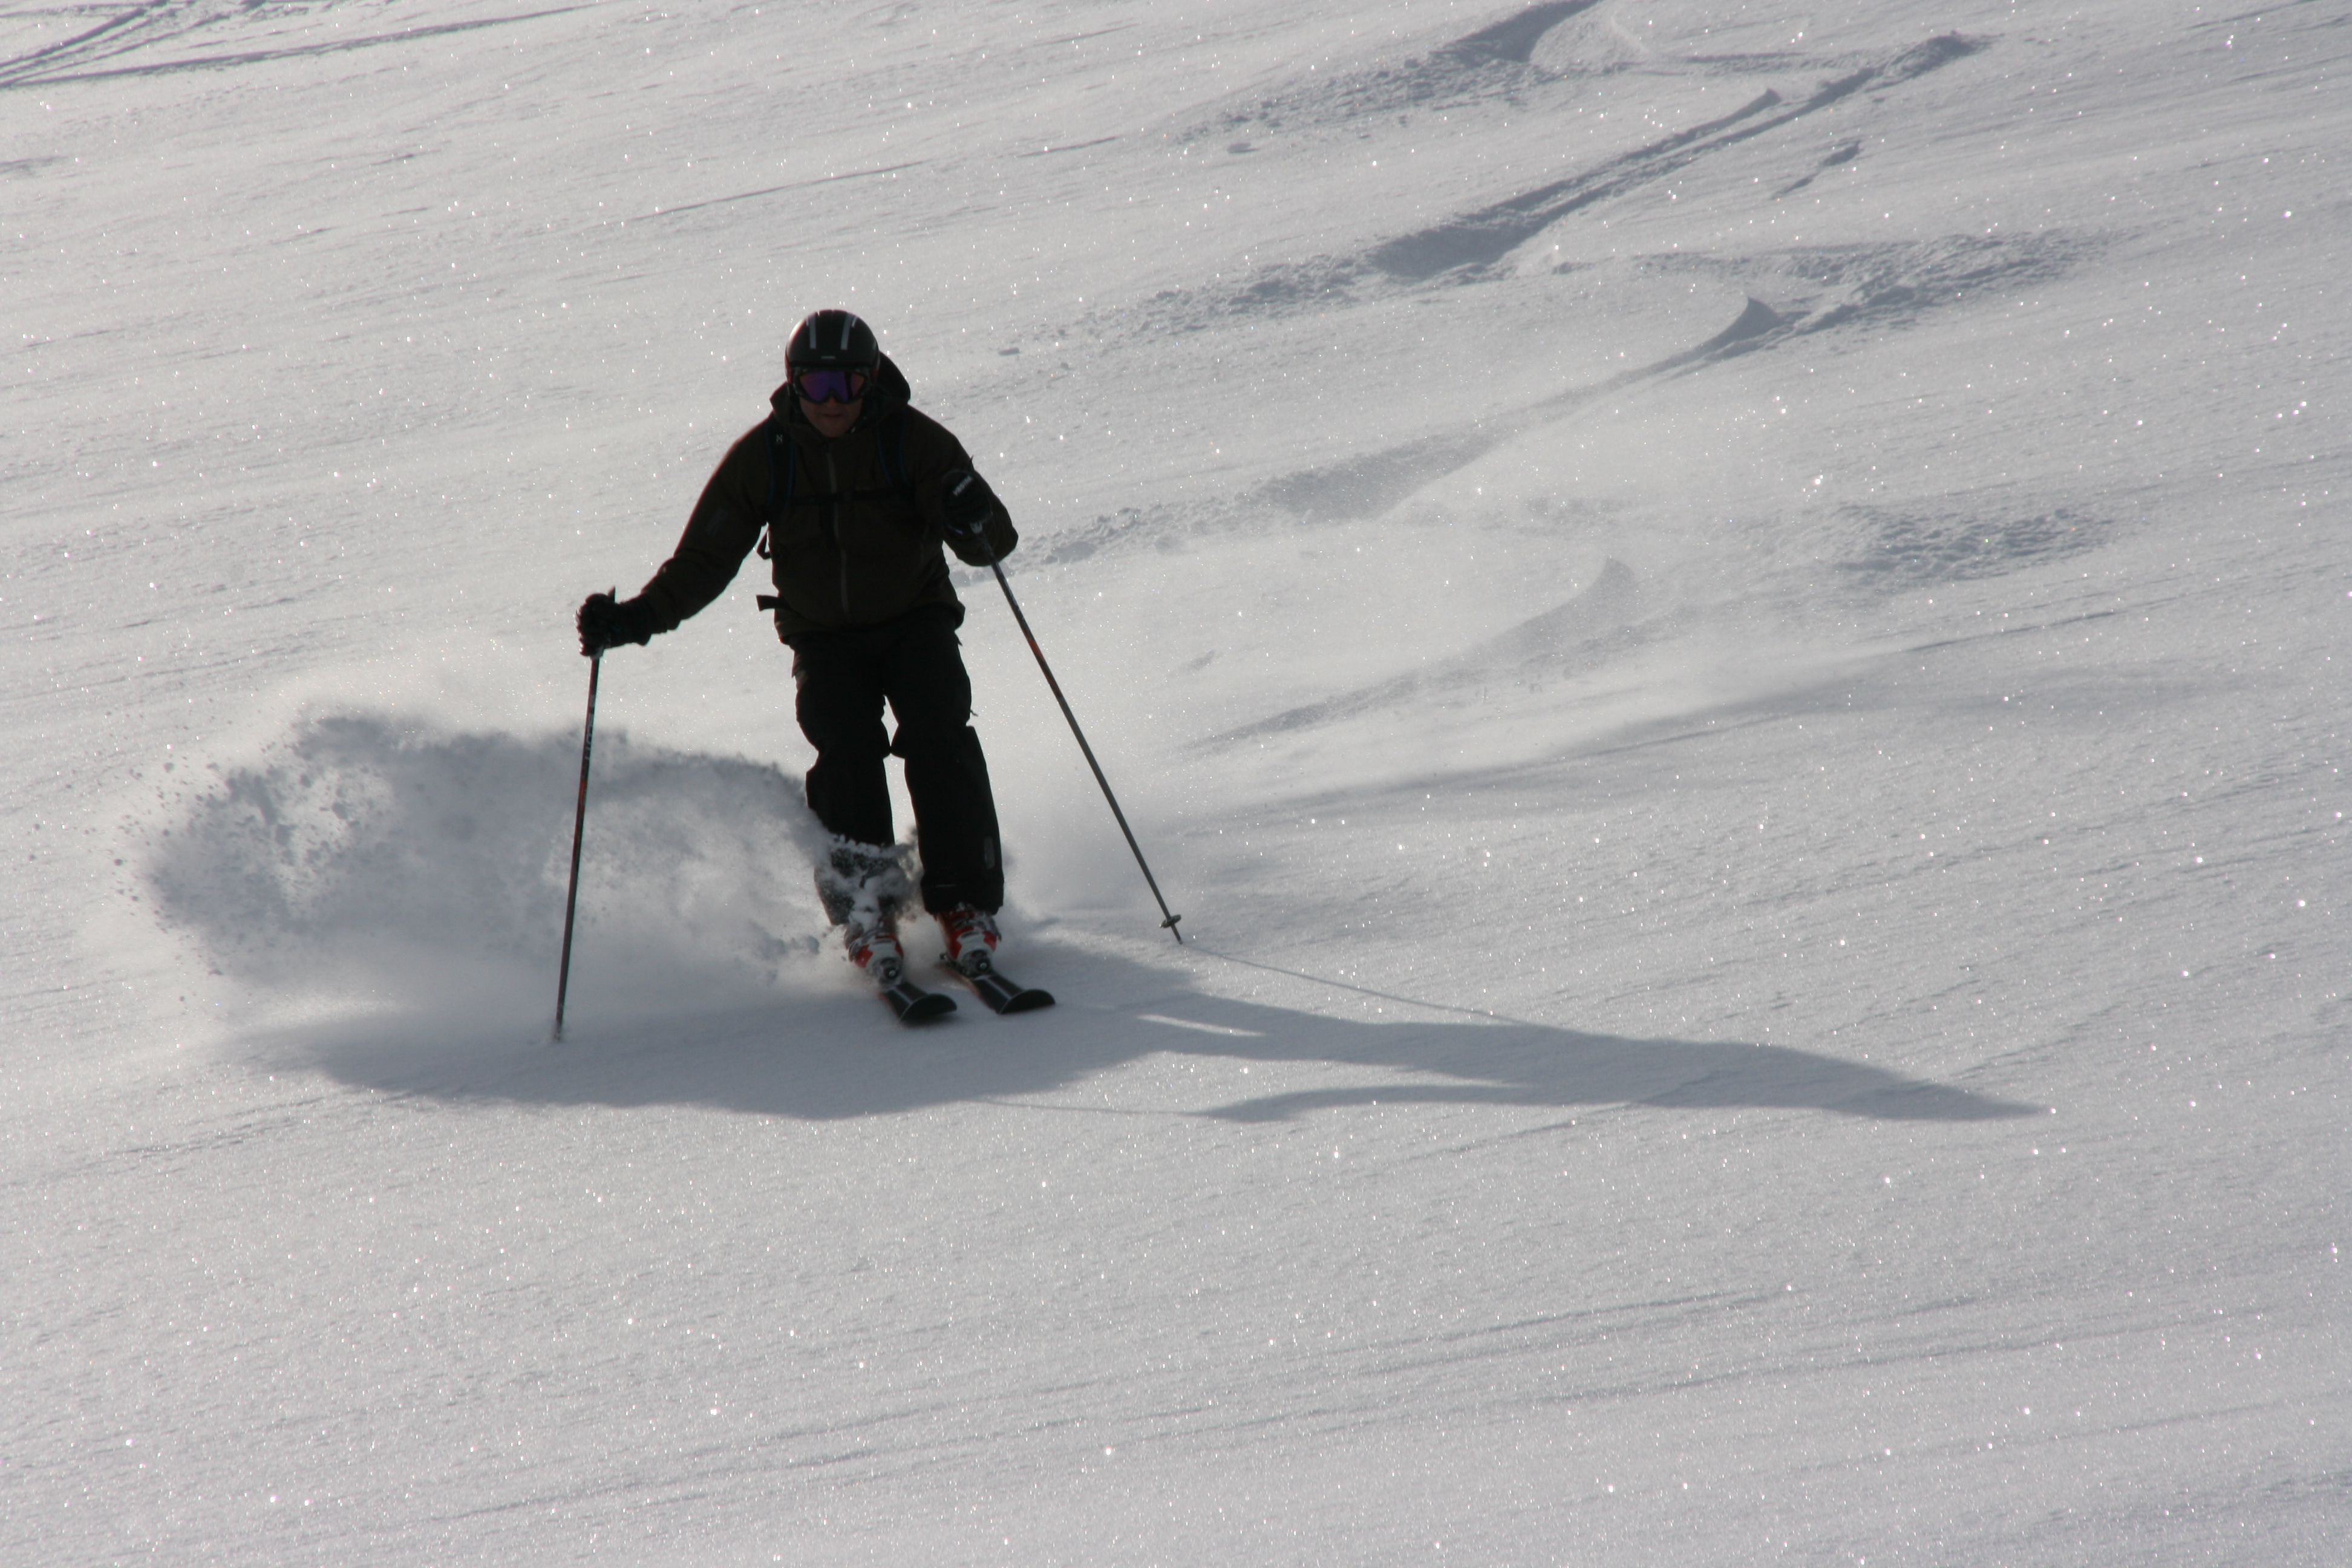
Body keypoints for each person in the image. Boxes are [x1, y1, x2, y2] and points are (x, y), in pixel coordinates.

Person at [577, 309, 1020, 988]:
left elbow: (991, 543)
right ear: (794, 386)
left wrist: (972, 508)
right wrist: (634, 620)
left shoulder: (915, 442)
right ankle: (868, 909)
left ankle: (964, 905)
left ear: (871, 383)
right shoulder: (767, 457)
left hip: (915, 620)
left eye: (847, 385)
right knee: (845, 747)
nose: (834, 403)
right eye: (817, 388)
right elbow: (704, 560)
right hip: (825, 636)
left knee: (939, 733)